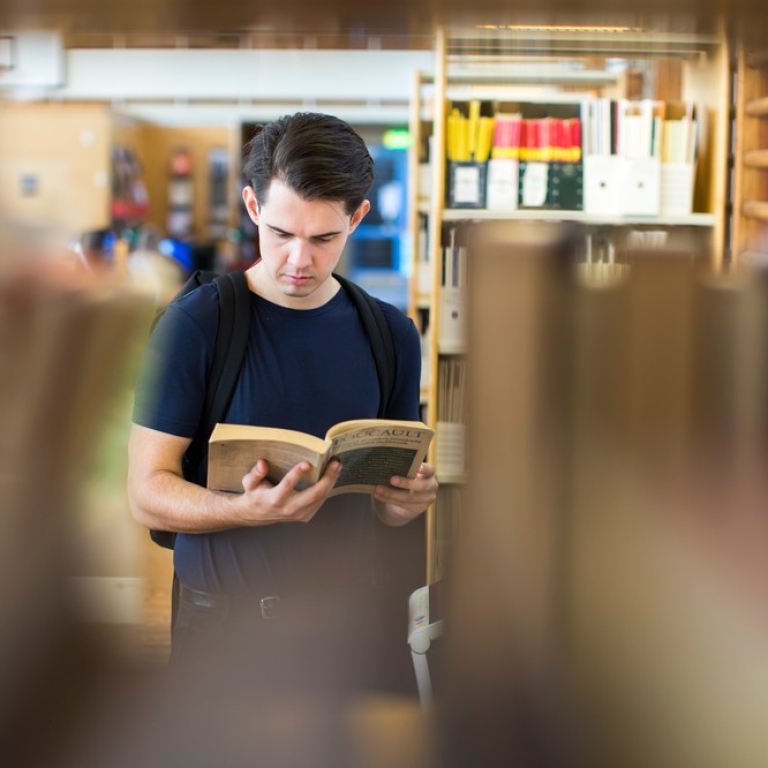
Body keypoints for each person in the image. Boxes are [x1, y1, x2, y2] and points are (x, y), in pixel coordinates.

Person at [127, 112, 438, 696]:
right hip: (223, 625)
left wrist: (406, 502)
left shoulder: (391, 335)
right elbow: (146, 495)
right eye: (280, 233)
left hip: (347, 627)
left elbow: (385, 506)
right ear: (252, 207)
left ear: (358, 218)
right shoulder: (195, 324)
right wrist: (244, 512)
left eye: (324, 238)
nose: (299, 260)